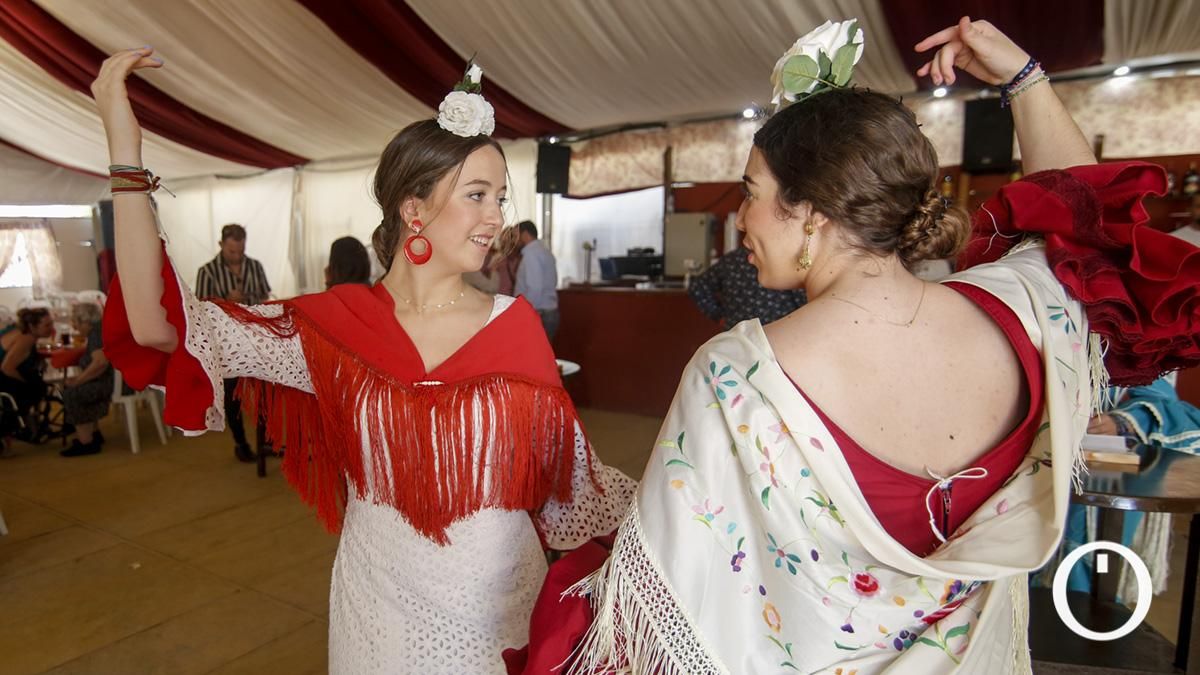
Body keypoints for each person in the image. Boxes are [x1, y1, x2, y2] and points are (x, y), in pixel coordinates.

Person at [514, 18, 1200, 675]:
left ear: (810, 209)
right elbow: (1084, 219)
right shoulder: (1022, 313)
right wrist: (1024, 79)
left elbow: (660, 607)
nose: (739, 216)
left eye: (752, 192)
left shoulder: (738, 374)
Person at [93, 50, 634, 675]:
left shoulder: (515, 328)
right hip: (378, 616)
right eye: (479, 195)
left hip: (501, 619)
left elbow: (573, 483)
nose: (497, 218)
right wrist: (124, 151)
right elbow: (158, 328)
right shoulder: (332, 329)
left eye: (501, 198)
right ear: (414, 208)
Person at [195, 222, 272, 462]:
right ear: (221, 245)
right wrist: (226, 301)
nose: (237, 256)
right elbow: (202, 309)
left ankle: (267, 439)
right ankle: (241, 442)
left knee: (265, 393)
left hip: (255, 340)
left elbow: (264, 297)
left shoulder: (255, 266)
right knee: (233, 396)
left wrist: (247, 299)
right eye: (231, 252)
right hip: (226, 345)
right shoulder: (207, 272)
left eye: (240, 250)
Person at [687, 241, 806, 327]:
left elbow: (698, 288)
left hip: (738, 336)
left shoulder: (732, 260)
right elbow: (804, 300)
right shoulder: (785, 261)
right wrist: (718, 315)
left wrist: (719, 316)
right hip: (774, 339)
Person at [60, 302, 114, 457]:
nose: (75, 327)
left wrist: (78, 381)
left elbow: (100, 363)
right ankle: (94, 434)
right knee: (76, 387)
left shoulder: (96, 333)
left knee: (72, 393)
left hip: (109, 382)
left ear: (86, 322)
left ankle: (87, 442)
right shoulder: (98, 329)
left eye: (76, 322)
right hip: (111, 380)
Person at [0, 308, 53, 440]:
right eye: (47, 325)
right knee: (36, 388)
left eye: (51, 323)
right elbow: (7, 368)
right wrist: (25, 382)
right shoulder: (26, 339)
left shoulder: (17, 329)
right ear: (31, 326)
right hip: (2, 374)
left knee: (35, 383)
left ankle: (29, 424)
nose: (51, 328)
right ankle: (18, 426)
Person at [513, 221, 559, 341]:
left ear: (525, 235)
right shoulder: (543, 250)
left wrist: (525, 313)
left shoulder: (531, 254)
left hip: (539, 314)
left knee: (531, 357)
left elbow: (535, 288)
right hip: (547, 313)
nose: (514, 241)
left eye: (516, 236)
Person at [466, 225, 521, 295]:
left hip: (499, 294)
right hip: (510, 294)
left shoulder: (498, 257)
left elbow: (488, 274)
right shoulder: (519, 258)